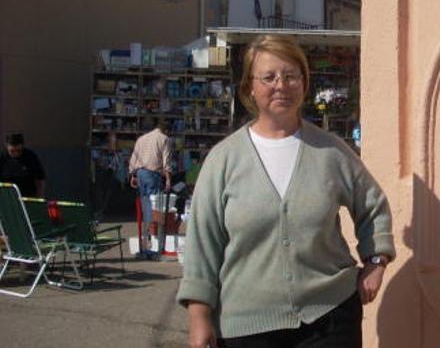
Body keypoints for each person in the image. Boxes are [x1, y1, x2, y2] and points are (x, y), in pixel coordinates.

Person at [177, 35, 395, 348]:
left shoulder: (331, 151)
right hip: (246, 327)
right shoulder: (224, 160)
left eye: (291, 75)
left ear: (304, 83)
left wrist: (376, 260)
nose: (281, 85)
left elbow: (372, 206)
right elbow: (202, 242)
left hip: (330, 317)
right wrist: (199, 317)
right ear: (250, 86)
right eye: (269, 77)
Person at [129, 121, 172, 251]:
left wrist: (133, 175)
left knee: (145, 205)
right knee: (154, 208)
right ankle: (152, 239)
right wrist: (168, 180)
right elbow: (167, 161)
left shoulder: (141, 139)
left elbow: (133, 158)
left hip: (141, 173)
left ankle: (146, 236)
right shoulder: (164, 139)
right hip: (153, 174)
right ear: (166, 130)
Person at [0, 133, 46, 198]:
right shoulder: (2, 158)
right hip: (7, 198)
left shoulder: (30, 157)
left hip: (27, 197)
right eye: (12, 151)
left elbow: (40, 179)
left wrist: (39, 197)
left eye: (19, 151)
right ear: (7, 147)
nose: (16, 154)